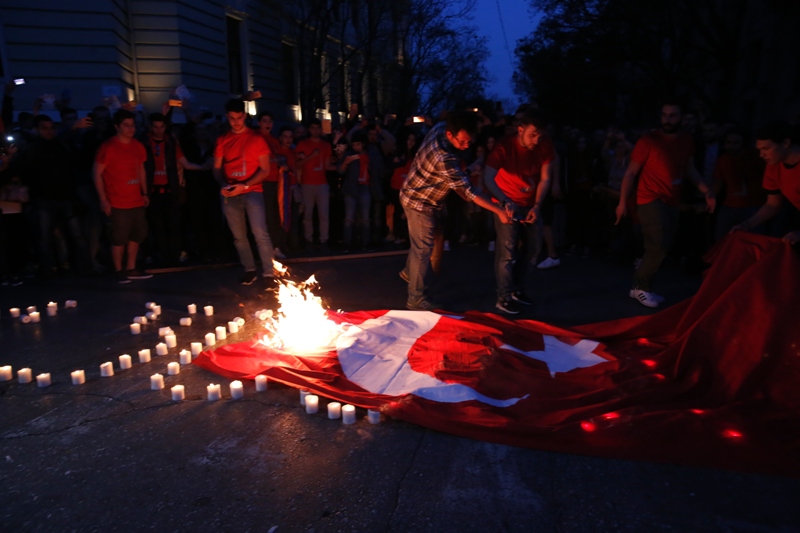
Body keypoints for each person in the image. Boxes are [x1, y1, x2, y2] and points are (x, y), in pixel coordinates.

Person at [400, 111, 511, 310]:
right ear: (451, 135)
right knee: (423, 249)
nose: (466, 145)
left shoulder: (441, 128)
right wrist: (499, 210)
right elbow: (468, 192)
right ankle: (415, 299)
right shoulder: (444, 157)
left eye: (470, 141)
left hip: (420, 193)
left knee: (422, 243)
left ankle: (410, 272)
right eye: (462, 142)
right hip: (419, 202)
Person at [615, 102, 715, 308]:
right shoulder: (649, 140)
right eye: (664, 115)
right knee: (658, 245)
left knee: (664, 245)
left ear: (680, 117)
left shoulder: (686, 140)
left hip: (672, 199)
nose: (667, 119)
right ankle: (642, 287)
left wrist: (707, 191)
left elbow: (690, 169)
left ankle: (638, 287)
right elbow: (631, 172)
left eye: (672, 115)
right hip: (650, 198)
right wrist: (622, 202)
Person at [484, 110, 557, 314]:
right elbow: (488, 177)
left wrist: (537, 206)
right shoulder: (504, 147)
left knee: (533, 250)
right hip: (506, 201)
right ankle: (503, 296)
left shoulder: (544, 145)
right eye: (532, 135)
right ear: (520, 130)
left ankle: (517, 289)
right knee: (507, 251)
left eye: (539, 135)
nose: (536, 140)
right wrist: (505, 201)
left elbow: (545, 178)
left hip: (530, 202)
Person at [213, 99, 275, 284]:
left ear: (245, 116)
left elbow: (265, 169)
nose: (236, 122)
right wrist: (223, 184)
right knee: (239, 236)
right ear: (227, 118)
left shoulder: (256, 139)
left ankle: (269, 273)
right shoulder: (223, 140)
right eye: (232, 118)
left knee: (260, 233)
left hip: (252, 191)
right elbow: (216, 168)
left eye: (239, 118)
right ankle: (249, 269)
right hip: (231, 192)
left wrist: (246, 185)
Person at [93, 109, 153, 283]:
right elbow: (97, 173)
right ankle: (118, 270)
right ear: (117, 127)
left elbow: (141, 169)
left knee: (136, 235)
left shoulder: (137, 146)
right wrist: (103, 199)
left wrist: (144, 192)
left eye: (132, 125)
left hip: (136, 199)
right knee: (118, 237)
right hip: (117, 200)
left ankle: (131, 267)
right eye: (126, 125)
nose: (130, 128)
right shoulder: (108, 147)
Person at [142, 112, 204, 267]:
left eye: (161, 127)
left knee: (174, 225)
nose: (158, 130)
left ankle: (174, 257)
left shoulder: (171, 145)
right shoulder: (145, 143)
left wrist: (205, 167)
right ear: (151, 127)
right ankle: (164, 257)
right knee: (158, 226)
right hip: (153, 191)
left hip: (170, 191)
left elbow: (186, 164)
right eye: (155, 127)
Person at [731, 121, 800, 244]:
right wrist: (746, 225)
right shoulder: (774, 165)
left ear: (785, 143)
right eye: (759, 149)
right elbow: (773, 204)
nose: (761, 155)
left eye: (766, 149)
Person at [295, 118, 333, 251]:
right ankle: (308, 239)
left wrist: (341, 165)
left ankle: (324, 240)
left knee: (324, 213)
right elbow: (297, 164)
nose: (315, 130)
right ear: (309, 129)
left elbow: (327, 165)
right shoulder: (303, 144)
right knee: (308, 213)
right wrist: (311, 156)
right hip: (307, 182)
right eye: (313, 128)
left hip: (322, 182)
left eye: (318, 128)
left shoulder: (326, 145)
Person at [256, 110, 287, 258]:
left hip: (276, 180)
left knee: (276, 215)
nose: (267, 123)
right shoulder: (256, 138)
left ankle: (276, 247)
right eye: (264, 120)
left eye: (270, 121)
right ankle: (266, 249)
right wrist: (275, 160)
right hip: (263, 181)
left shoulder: (274, 140)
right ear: (259, 123)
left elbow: (278, 156)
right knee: (266, 215)